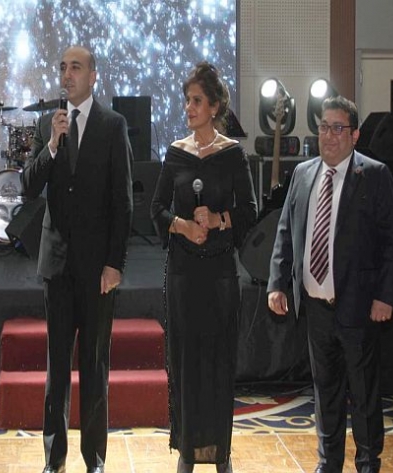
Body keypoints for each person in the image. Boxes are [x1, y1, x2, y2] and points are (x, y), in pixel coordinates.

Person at [267, 95, 393, 473]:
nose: (328, 135)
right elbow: (286, 231)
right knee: (325, 393)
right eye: (324, 127)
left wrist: (385, 296)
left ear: (355, 135)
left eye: (337, 128)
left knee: (363, 394)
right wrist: (277, 282)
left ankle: (368, 463)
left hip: (359, 306)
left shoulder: (374, 175)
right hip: (315, 307)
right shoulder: (302, 174)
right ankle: (328, 464)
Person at [21, 46, 133, 473]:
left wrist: (114, 263)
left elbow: (122, 201)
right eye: (62, 68)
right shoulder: (47, 125)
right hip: (57, 265)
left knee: (94, 366)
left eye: (75, 68)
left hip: (97, 268)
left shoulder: (112, 125)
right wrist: (51, 145)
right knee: (57, 366)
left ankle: (94, 459)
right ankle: (54, 459)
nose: (67, 75)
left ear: (93, 76)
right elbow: (29, 186)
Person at [150, 62, 257, 473]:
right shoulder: (176, 153)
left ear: (214, 107)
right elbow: (156, 209)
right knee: (185, 361)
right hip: (183, 273)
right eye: (187, 101)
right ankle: (187, 450)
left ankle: (220, 452)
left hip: (219, 275)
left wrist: (217, 220)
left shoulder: (232, 154)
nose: (189, 108)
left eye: (196, 101)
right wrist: (180, 226)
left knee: (218, 360)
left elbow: (249, 211)